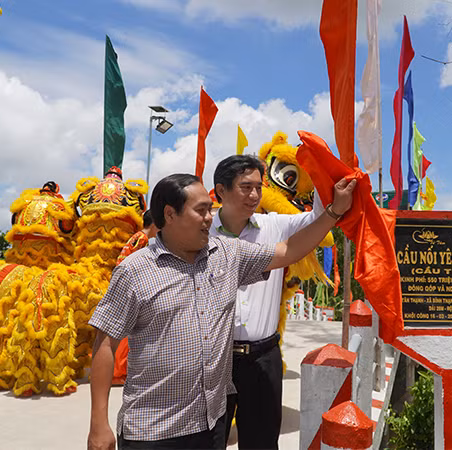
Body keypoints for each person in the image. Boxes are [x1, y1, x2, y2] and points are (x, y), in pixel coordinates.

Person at [87, 173, 355, 450]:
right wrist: (98, 423)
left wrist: (334, 212)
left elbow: (288, 251)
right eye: (201, 210)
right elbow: (105, 342)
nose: (209, 217)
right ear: (170, 214)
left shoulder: (228, 254)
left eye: (210, 209)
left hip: (210, 427)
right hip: (152, 431)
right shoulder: (134, 271)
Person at [211, 154, 329, 449]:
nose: (254, 195)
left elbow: (319, 217)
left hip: (263, 357)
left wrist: (321, 171)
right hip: (213, 356)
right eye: (245, 187)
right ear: (221, 190)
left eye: (258, 188)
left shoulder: (273, 227)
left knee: (262, 442)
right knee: (207, 439)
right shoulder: (201, 230)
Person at [111, 209, 158, 385]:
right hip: (130, 287)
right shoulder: (143, 240)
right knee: (127, 333)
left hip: (123, 285)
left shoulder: (136, 236)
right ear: (153, 224)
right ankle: (117, 372)